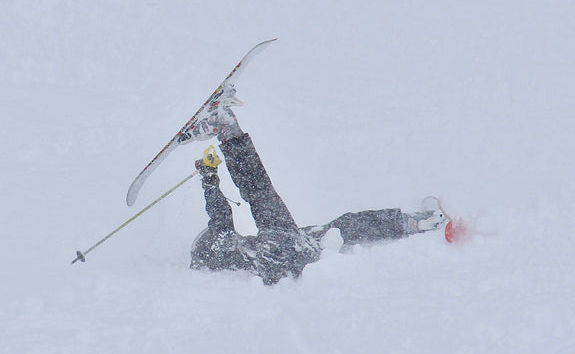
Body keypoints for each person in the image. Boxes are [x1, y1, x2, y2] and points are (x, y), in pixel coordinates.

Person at [185, 102, 447, 285]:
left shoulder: (220, 257)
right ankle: (225, 124)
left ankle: (417, 221)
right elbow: (219, 217)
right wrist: (209, 178)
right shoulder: (216, 247)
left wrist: (210, 176)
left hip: (293, 256)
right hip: (275, 252)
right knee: (258, 190)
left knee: (342, 227)